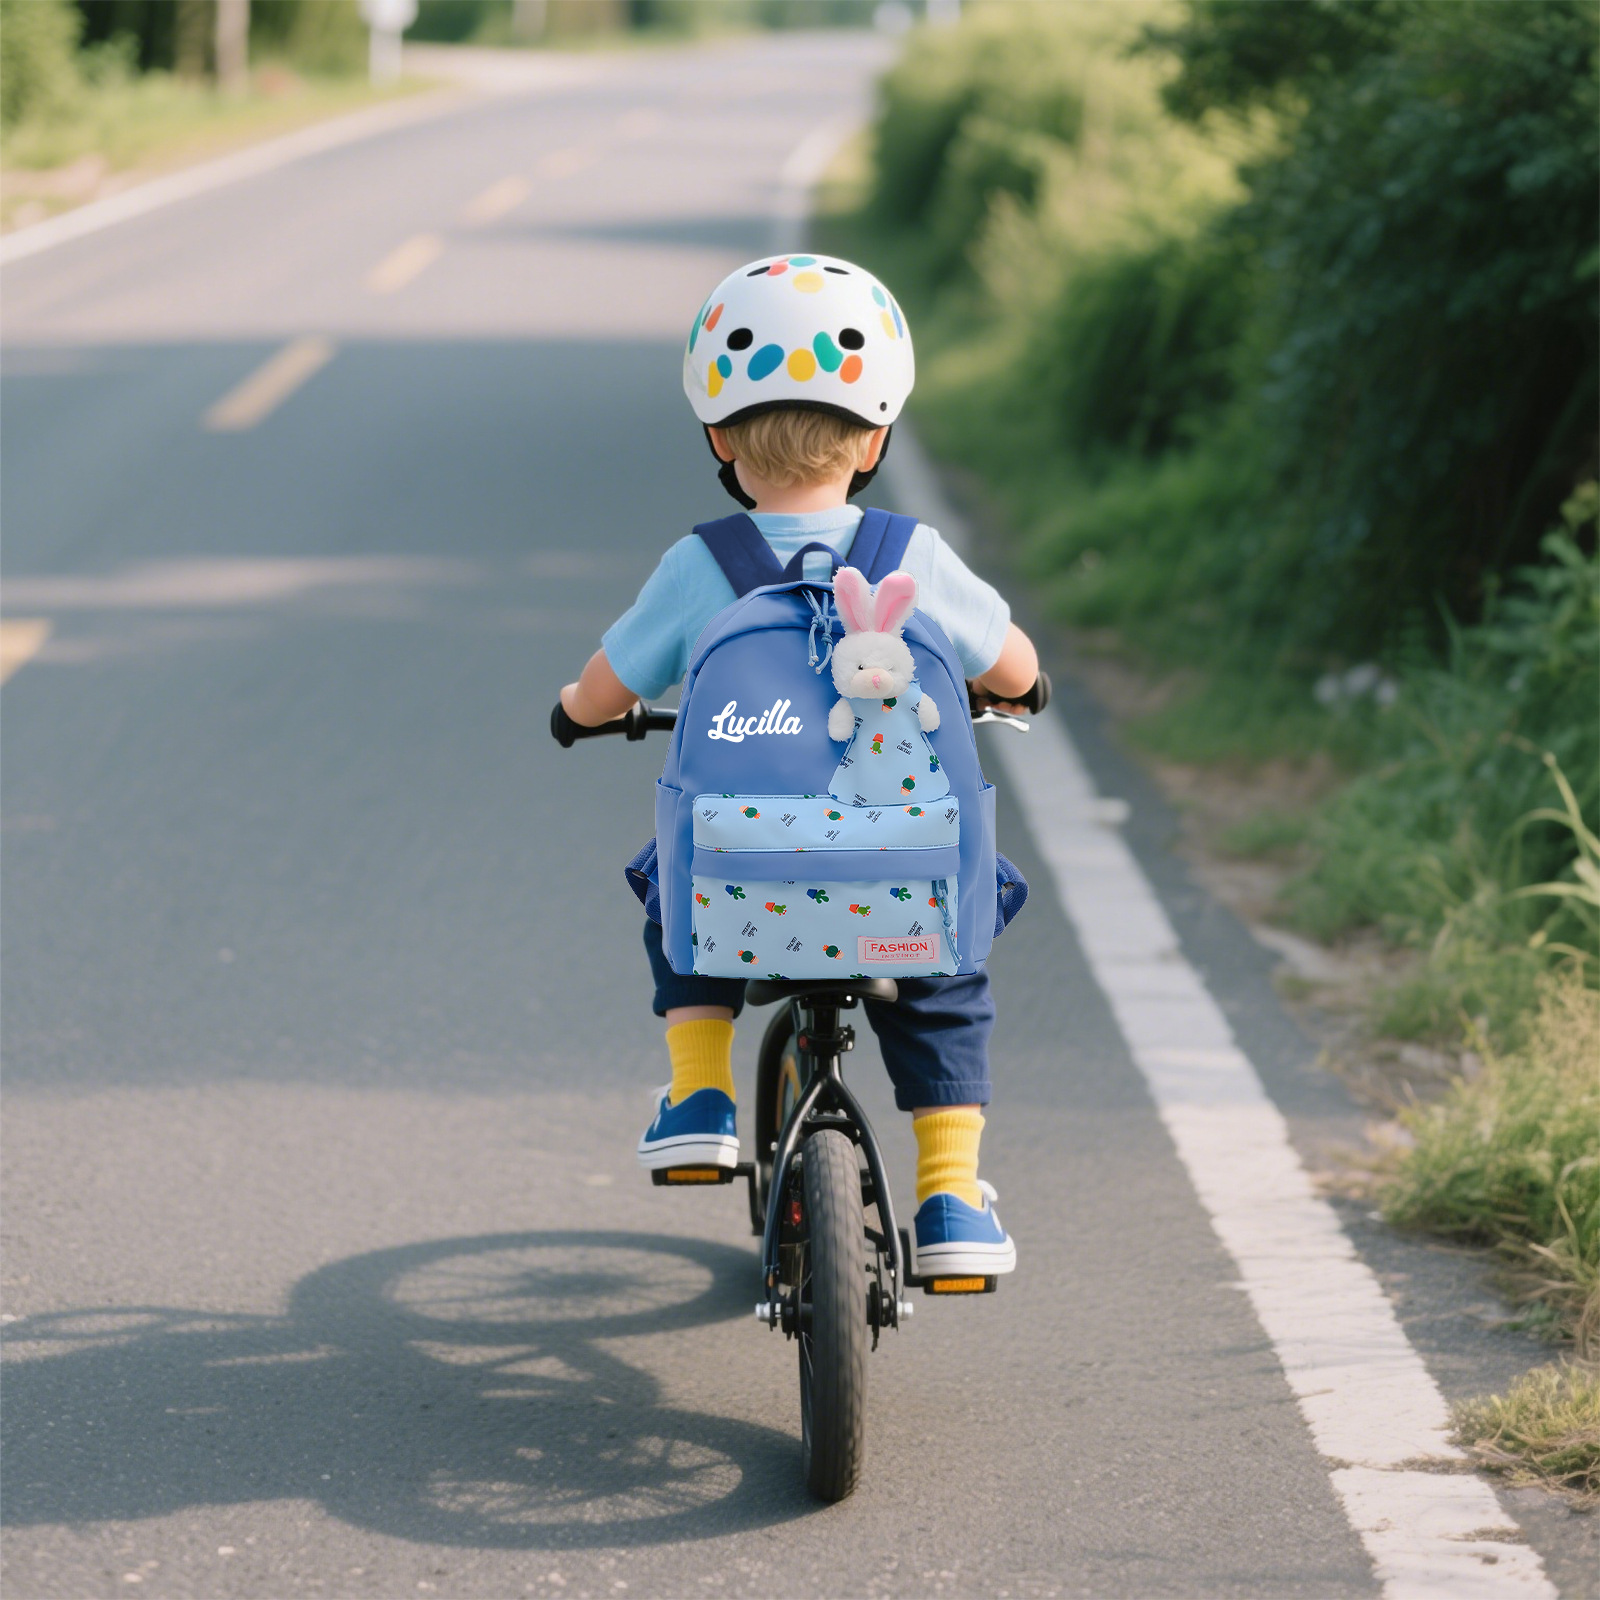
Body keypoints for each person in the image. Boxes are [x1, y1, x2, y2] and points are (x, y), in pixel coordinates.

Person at [555, 254, 1042, 1277]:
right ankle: (949, 1200)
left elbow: (608, 684)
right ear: (873, 438)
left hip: (750, 884)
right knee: (947, 974)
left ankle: (700, 1096)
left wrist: (575, 711)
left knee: (676, 881)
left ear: (719, 438)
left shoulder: (704, 568)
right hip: (900, 878)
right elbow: (1016, 663)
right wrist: (1014, 691)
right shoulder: (913, 554)